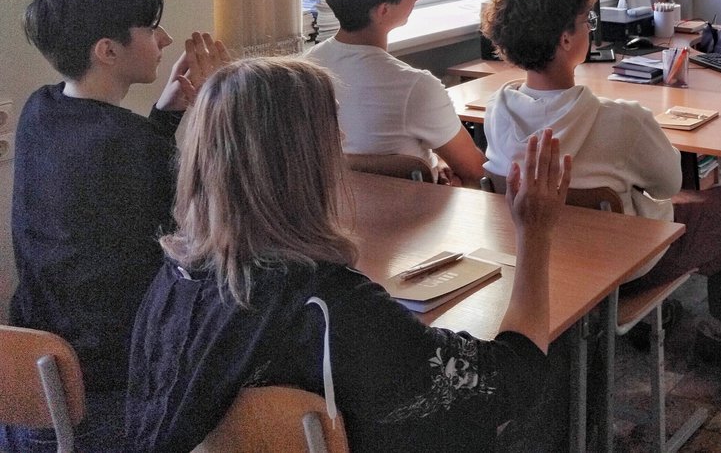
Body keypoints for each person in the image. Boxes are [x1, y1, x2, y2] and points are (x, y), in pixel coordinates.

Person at [124, 58, 569, 453]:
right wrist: (534, 233)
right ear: (303, 160)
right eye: (331, 127)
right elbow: (514, 378)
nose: (341, 136)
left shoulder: (171, 283)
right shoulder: (335, 310)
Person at [5, 0, 227, 453]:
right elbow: (220, 207)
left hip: (36, 367)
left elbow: (117, 175)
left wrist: (167, 113)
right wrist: (219, 102)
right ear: (107, 50)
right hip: (114, 382)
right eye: (151, 28)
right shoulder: (127, 145)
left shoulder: (41, 109)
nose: (165, 39)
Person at [478, 0, 721, 346]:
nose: (591, 30)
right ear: (565, 40)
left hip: (533, 265)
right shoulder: (623, 119)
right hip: (621, 267)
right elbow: (668, 185)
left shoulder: (495, 112)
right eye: (586, 22)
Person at [307, 0, 485, 185]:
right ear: (383, 10)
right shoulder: (416, 87)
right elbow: (477, 172)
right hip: (411, 208)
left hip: (330, 206)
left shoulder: (302, 70)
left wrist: (434, 159)